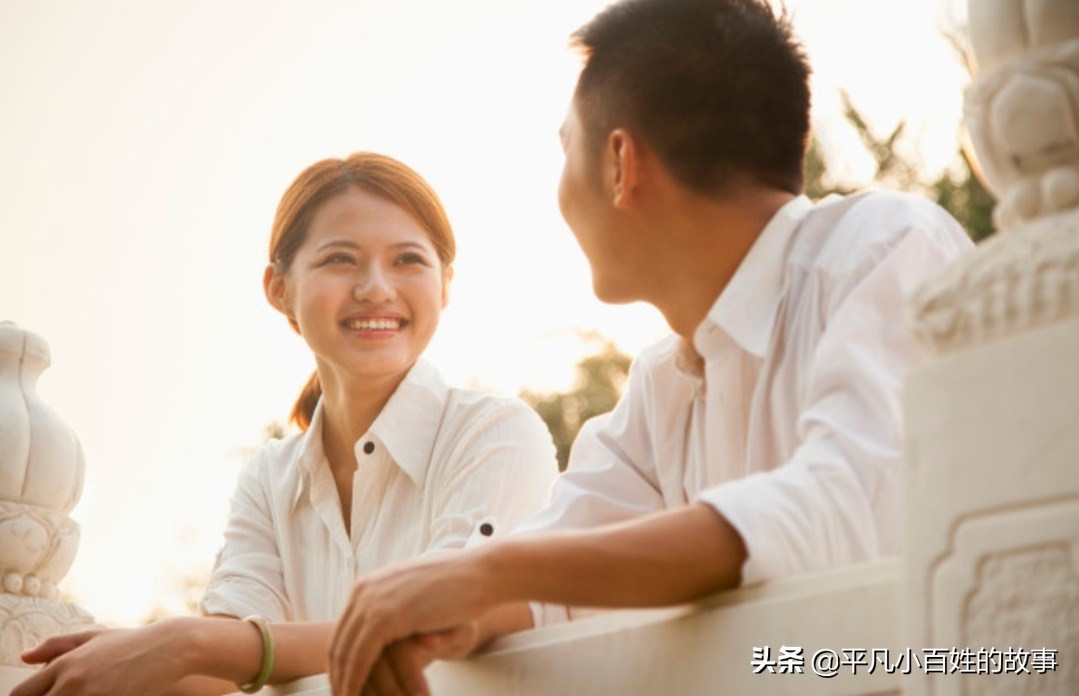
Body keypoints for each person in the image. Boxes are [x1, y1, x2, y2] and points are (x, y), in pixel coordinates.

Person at [326, 0, 976, 694]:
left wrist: (481, 574)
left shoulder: (885, 247)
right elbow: (557, 574)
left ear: (618, 163)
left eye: (563, 149)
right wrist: (454, 610)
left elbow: (836, 506)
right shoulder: (663, 382)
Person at [12, 152, 558, 696]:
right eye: (341, 259)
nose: (376, 288)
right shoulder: (269, 478)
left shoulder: (496, 435)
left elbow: (441, 621)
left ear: (445, 285)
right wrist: (119, 655)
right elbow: (225, 659)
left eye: (408, 260)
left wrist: (181, 643)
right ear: (279, 288)